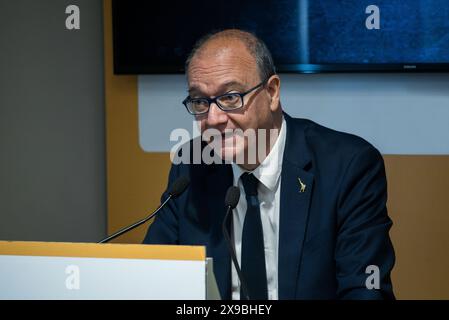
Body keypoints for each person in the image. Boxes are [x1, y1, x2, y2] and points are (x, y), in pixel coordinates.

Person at [143, 29, 395, 300]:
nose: (213, 118)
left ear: (272, 91)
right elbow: (153, 276)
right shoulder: (191, 165)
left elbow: (366, 289)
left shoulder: (347, 165)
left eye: (230, 97)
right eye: (200, 101)